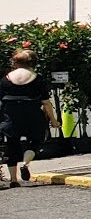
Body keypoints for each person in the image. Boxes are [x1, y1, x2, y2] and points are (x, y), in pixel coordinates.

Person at [0, 49, 56, 188]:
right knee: (35, 140)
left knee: (12, 145)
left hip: (11, 117)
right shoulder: (37, 79)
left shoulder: (5, 80)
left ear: (15, 62)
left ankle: (13, 179)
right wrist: (53, 120)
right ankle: (25, 164)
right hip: (33, 116)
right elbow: (46, 103)